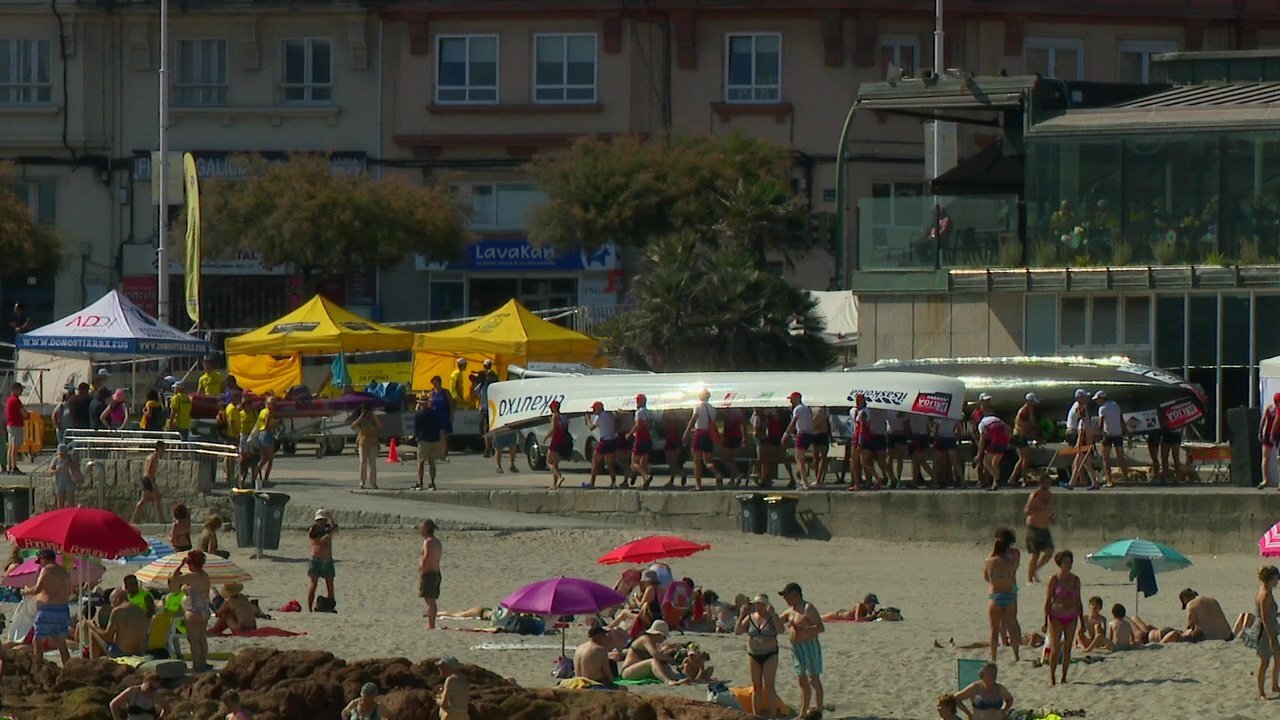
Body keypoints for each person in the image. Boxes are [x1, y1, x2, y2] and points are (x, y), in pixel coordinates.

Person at [779, 581, 824, 719]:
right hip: (796, 649)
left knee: (813, 679)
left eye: (786, 596)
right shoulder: (790, 610)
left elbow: (820, 628)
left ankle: (819, 710)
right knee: (802, 680)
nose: (785, 599)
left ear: (794, 594)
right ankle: (803, 712)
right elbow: (777, 621)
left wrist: (803, 628)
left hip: (809, 646)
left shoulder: (808, 608)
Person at [22, 548, 72, 664]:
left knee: (38, 643)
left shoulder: (47, 569)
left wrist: (26, 591)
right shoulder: (64, 572)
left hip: (48, 611)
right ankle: (69, 669)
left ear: (44, 559)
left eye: (40, 561)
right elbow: (68, 592)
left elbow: (37, 589)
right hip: (62, 610)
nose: (40, 565)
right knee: (61, 644)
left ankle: (37, 670)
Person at [736, 593, 781, 717]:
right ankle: (756, 715)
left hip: (770, 653)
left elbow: (781, 630)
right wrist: (741, 615)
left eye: (761, 604)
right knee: (756, 686)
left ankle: (772, 715)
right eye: (756, 604)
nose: (758, 607)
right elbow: (738, 631)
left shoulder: (772, 617)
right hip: (753, 653)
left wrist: (773, 615)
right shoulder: (750, 617)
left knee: (769, 686)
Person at [167, 550, 212, 672]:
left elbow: (173, 579)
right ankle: (203, 663)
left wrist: (180, 565)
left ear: (192, 564)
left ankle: (197, 665)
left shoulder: (192, 576)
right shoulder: (204, 576)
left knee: (193, 640)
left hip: (193, 611)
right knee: (202, 639)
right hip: (204, 610)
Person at [1043, 550, 1082, 685]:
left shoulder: (1075, 580)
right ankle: (1052, 677)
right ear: (1060, 564)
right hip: (1056, 615)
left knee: (1068, 647)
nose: (1068, 565)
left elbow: (1079, 601)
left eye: (1070, 562)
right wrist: (1045, 620)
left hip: (1072, 615)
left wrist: (1082, 621)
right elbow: (1048, 600)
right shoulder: (1054, 579)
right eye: (1065, 562)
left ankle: (1064, 677)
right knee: (1055, 648)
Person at [983, 528, 1023, 663]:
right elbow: (1014, 570)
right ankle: (1016, 655)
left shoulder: (990, 559)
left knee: (994, 629)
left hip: (995, 595)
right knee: (1012, 625)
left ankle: (994, 656)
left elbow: (986, 577)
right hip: (1010, 592)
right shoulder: (1013, 557)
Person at [81, 588, 148, 657]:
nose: (112, 606)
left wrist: (93, 626)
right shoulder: (140, 610)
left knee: (93, 633)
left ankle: (95, 662)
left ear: (117, 599)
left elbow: (107, 637)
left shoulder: (117, 611)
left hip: (121, 652)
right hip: (138, 651)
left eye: (112, 602)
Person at [621, 620, 685, 685]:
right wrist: (670, 660)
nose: (664, 639)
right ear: (657, 634)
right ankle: (667, 681)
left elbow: (661, 657)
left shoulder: (654, 642)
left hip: (639, 670)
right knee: (653, 661)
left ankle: (676, 678)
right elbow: (656, 655)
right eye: (663, 636)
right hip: (627, 672)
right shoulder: (645, 639)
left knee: (661, 662)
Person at [683, 389, 724, 490]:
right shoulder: (712, 409)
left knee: (696, 461)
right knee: (707, 461)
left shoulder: (698, 407)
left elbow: (693, 420)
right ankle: (717, 473)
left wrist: (686, 433)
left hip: (699, 434)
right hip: (708, 435)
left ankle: (698, 485)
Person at [1024, 473, 1055, 583]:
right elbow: (1027, 511)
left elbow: (1048, 510)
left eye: (1049, 483)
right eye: (1046, 483)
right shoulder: (1035, 495)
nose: (1048, 485)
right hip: (1034, 527)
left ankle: (1036, 570)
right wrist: (1040, 513)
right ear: (1041, 483)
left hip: (1044, 527)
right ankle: (1029, 578)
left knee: (1050, 551)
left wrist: (1050, 518)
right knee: (1035, 554)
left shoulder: (1050, 495)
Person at [1095, 390, 1129, 487]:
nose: (1097, 401)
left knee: (1105, 458)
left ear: (1101, 399)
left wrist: (1098, 434)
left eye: (1097, 399)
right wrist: (1126, 430)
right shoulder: (1115, 405)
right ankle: (1126, 478)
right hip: (1118, 434)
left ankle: (1109, 481)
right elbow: (1121, 419)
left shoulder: (1102, 408)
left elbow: (1101, 423)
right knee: (1121, 457)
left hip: (1108, 435)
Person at [308, 509, 338, 612]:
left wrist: (331, 517)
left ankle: (330, 606)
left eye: (323, 520)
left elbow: (336, 528)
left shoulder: (328, 528)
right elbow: (320, 541)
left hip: (327, 560)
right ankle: (309, 608)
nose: (321, 522)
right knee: (313, 584)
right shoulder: (313, 530)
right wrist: (329, 534)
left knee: (330, 585)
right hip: (316, 559)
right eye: (319, 520)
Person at [413, 393, 444, 490]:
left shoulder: (418, 415)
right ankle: (432, 483)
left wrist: (417, 438)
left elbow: (416, 430)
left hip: (424, 440)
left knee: (421, 462)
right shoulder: (435, 413)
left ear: (420, 404)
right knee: (432, 462)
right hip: (435, 440)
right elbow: (441, 428)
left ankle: (420, 483)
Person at [785, 391, 815, 489]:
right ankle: (803, 479)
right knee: (802, 458)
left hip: (802, 434)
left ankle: (805, 483)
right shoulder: (807, 409)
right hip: (809, 434)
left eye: (792, 399)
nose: (791, 402)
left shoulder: (797, 409)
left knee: (799, 459)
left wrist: (786, 434)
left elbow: (793, 422)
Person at [587, 401, 620, 488]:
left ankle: (592, 483)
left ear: (599, 408)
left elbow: (591, 427)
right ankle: (613, 482)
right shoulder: (610, 415)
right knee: (609, 463)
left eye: (594, 409)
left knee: (595, 462)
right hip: (612, 440)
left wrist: (588, 419)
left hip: (604, 441)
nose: (593, 411)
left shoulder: (599, 417)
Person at [131, 441, 165, 523]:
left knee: (152, 499)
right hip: (148, 479)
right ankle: (161, 520)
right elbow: (149, 471)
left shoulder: (151, 456)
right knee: (148, 500)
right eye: (163, 449)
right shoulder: (153, 457)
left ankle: (134, 519)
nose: (164, 451)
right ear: (159, 448)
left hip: (147, 479)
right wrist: (152, 483)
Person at [1010, 393, 1040, 487]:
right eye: (1033, 402)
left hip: (1020, 436)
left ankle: (1012, 478)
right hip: (1019, 437)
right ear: (1028, 402)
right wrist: (1035, 437)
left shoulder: (1029, 411)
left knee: (1022, 459)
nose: (1034, 405)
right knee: (1026, 459)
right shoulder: (1024, 412)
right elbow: (1026, 427)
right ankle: (1024, 479)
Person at [974, 415, 1010, 491]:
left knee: (986, 462)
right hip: (1004, 441)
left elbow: (982, 440)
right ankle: (995, 484)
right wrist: (1008, 440)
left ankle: (997, 479)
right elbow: (1008, 428)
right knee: (995, 463)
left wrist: (978, 455)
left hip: (995, 441)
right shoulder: (995, 418)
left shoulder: (981, 424)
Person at [351, 404, 383, 490]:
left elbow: (381, 427)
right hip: (363, 442)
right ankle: (362, 481)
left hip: (373, 443)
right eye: (364, 411)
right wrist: (360, 418)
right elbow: (353, 426)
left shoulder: (373, 419)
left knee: (372, 463)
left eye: (367, 412)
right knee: (363, 462)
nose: (366, 414)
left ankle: (373, 482)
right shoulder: (361, 420)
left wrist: (374, 418)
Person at [420, 519, 443, 629]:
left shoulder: (428, 542)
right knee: (431, 600)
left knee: (430, 601)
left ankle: (431, 625)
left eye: (422, 528)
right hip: (436, 572)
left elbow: (426, 556)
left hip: (429, 573)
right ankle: (431, 623)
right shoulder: (437, 542)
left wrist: (422, 569)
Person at [543, 399, 570, 491]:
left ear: (554, 407)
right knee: (555, 464)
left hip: (556, 440)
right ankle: (554, 485)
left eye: (551, 407)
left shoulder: (555, 416)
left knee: (549, 462)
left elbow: (554, 429)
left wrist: (546, 437)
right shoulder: (564, 416)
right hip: (562, 441)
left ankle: (560, 477)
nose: (550, 409)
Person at [49, 442, 82, 509]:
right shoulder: (55, 459)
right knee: (60, 503)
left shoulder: (70, 458)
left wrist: (70, 464)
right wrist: (57, 470)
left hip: (69, 482)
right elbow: (50, 470)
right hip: (59, 483)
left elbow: (77, 465)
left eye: (62, 454)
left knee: (71, 502)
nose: (61, 455)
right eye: (60, 454)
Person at [255, 396, 279, 486]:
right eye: (272, 404)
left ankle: (255, 475)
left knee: (263, 458)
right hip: (267, 434)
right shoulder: (269, 413)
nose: (274, 406)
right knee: (269, 459)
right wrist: (276, 423)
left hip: (260, 434)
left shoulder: (262, 411)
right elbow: (267, 425)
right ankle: (265, 479)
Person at [428, 375, 453, 459]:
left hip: (444, 416)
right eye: (433, 383)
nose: (434, 384)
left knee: (443, 435)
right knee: (436, 435)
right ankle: (438, 452)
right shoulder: (432, 393)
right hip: (435, 417)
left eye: (435, 382)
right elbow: (429, 405)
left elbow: (451, 404)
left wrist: (451, 415)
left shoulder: (445, 392)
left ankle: (443, 452)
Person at [5, 382, 27, 474]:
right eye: (20, 389)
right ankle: (13, 467)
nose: (21, 391)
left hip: (10, 424)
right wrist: (26, 414)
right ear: (15, 390)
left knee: (11, 446)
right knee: (15, 447)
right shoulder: (15, 400)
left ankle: (9, 466)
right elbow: (24, 413)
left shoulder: (9, 399)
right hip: (16, 425)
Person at [1260, 393, 1280, 489]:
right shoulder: (1276, 409)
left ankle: (1265, 479)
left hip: (1269, 434)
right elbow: (1266, 420)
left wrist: (1260, 431)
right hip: (1274, 434)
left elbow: (1263, 420)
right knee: (1268, 457)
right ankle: (1265, 479)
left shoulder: (1269, 408)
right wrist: (1262, 432)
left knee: (1266, 458)